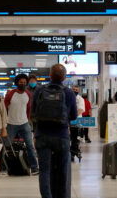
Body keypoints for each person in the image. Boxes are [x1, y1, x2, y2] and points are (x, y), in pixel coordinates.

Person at [32, 64, 77, 198]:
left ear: (49, 75)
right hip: (62, 136)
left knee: (44, 171)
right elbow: (74, 116)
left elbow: (33, 113)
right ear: (64, 77)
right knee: (63, 170)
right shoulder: (68, 92)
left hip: (42, 136)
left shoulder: (39, 90)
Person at [4, 73, 39, 175]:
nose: (23, 84)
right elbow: (4, 108)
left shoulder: (28, 94)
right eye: (21, 82)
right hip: (11, 124)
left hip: (24, 124)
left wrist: (27, 120)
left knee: (30, 146)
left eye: (24, 82)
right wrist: (4, 122)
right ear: (17, 83)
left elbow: (28, 109)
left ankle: (34, 167)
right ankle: (6, 166)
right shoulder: (11, 94)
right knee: (7, 146)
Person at [70, 85, 85, 162]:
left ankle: (73, 153)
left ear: (78, 91)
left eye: (76, 90)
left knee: (75, 139)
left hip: (77, 121)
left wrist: (72, 116)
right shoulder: (68, 97)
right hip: (69, 121)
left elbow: (81, 110)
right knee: (70, 138)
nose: (74, 91)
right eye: (73, 89)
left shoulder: (80, 99)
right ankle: (71, 153)